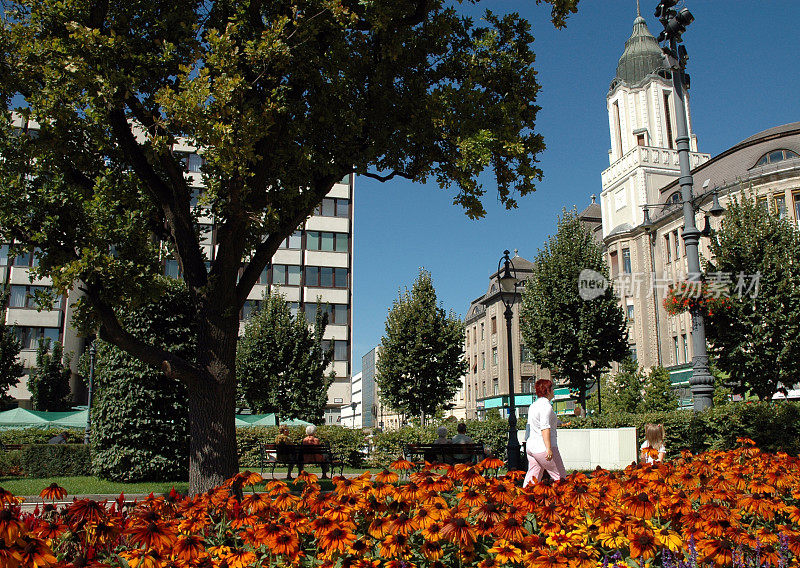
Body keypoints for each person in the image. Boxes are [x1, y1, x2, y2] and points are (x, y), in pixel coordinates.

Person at [523, 378, 567, 488]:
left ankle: (522, 500)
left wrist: (562, 423)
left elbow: (534, 424)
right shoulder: (546, 406)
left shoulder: (533, 405)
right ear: (548, 390)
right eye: (552, 388)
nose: (554, 391)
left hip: (531, 446)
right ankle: (564, 502)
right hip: (543, 447)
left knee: (533, 477)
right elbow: (545, 427)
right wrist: (548, 448)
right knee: (560, 477)